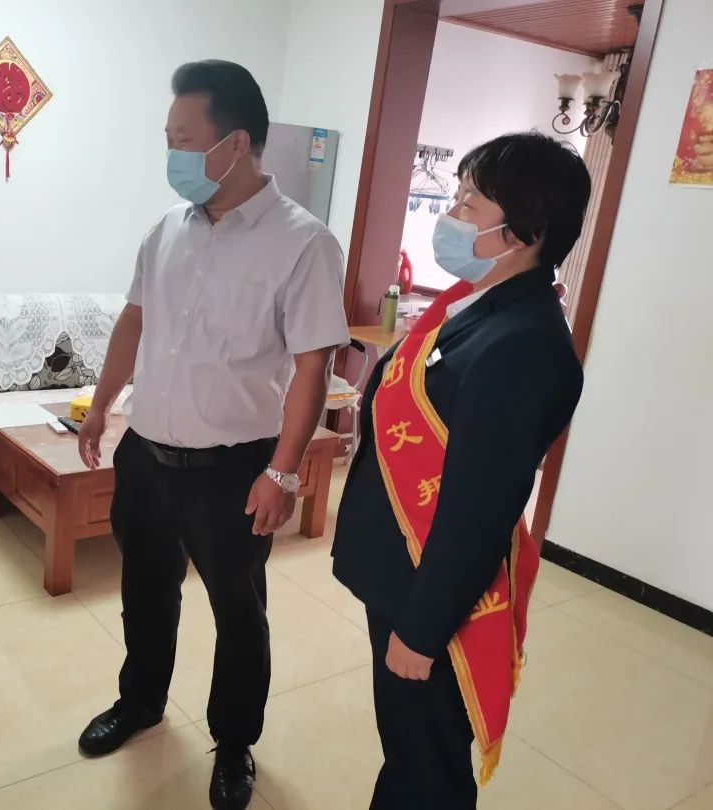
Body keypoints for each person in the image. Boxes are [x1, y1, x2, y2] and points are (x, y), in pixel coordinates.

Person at [74, 60, 349, 810]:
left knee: (238, 609)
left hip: (235, 468)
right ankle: (140, 701)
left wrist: (284, 472)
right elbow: (134, 320)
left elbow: (313, 366)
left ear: (235, 143)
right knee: (144, 588)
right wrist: (101, 405)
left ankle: (233, 742)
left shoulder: (304, 243)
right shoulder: (166, 230)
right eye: (168, 138)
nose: (172, 154)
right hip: (146, 455)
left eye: (183, 139)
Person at [331, 132, 591, 809]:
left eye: (469, 204)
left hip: (432, 596)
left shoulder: (527, 345)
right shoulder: (475, 305)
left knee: (427, 767)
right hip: (402, 570)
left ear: (525, 231)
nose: (450, 216)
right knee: (407, 746)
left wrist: (422, 630)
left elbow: (479, 511)